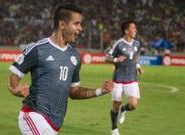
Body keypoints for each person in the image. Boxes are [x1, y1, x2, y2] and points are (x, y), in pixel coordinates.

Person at [8, 3, 113, 135]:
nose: (80, 28)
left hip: (55, 123)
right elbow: (14, 75)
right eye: (76, 24)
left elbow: (74, 92)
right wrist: (15, 89)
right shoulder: (38, 49)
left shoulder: (75, 57)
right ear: (62, 25)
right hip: (33, 114)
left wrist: (100, 91)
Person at [107, 20, 143, 135]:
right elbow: (107, 57)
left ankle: (124, 109)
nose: (135, 30)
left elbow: (136, 56)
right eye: (133, 28)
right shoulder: (118, 43)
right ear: (126, 31)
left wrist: (137, 65)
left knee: (133, 105)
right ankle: (114, 128)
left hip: (132, 78)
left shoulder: (137, 43)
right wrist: (116, 60)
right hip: (118, 79)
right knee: (115, 104)